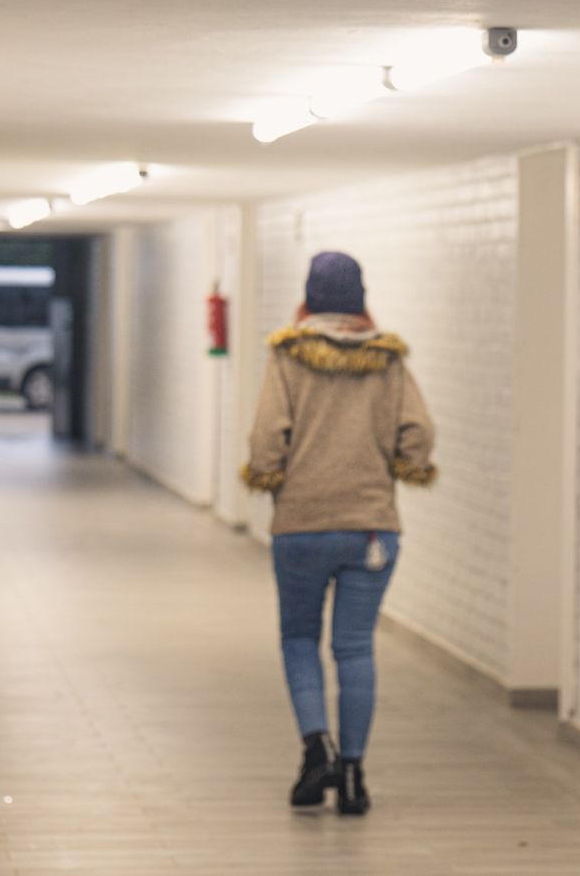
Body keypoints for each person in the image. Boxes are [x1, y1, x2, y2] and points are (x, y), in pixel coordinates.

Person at [241, 250, 436, 816]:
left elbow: (264, 440)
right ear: (361, 302)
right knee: (354, 647)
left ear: (307, 301)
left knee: (300, 639)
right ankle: (353, 774)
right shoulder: (389, 361)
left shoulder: (287, 356)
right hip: (371, 528)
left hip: (300, 525)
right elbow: (419, 432)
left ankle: (315, 748)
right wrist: (393, 466)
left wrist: (277, 475)